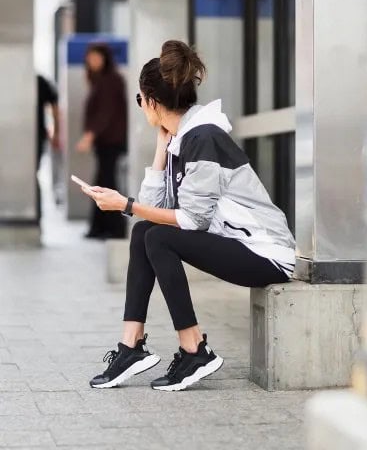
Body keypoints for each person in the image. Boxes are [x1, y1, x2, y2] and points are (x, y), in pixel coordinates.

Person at [82, 40, 296, 392]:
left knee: (158, 236)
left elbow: (192, 219)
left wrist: (125, 204)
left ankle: (195, 349)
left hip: (267, 254)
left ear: (151, 100)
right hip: (238, 245)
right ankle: (131, 345)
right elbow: (157, 209)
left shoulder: (204, 138)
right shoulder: (183, 140)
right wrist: (160, 149)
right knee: (146, 233)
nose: (141, 108)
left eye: (140, 100)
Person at [76, 42, 127, 239]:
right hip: (105, 141)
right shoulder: (102, 80)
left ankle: (113, 228)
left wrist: (89, 136)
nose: (93, 61)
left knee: (106, 182)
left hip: (110, 140)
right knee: (102, 181)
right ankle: (101, 227)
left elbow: (105, 113)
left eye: (97, 57)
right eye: (90, 58)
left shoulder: (111, 80)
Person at [36, 74, 60, 222]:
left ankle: (36, 215)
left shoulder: (39, 81)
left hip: (37, 136)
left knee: (34, 173)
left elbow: (54, 105)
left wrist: (56, 132)